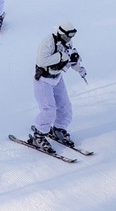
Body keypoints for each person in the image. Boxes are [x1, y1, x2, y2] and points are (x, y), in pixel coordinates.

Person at [27, 22, 87, 154]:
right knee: (49, 110)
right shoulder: (47, 43)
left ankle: (59, 129)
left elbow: (71, 58)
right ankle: (39, 136)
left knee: (65, 106)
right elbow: (41, 61)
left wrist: (79, 68)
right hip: (43, 80)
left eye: (72, 35)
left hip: (57, 78)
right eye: (68, 35)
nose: (70, 39)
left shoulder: (67, 43)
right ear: (61, 33)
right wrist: (61, 56)